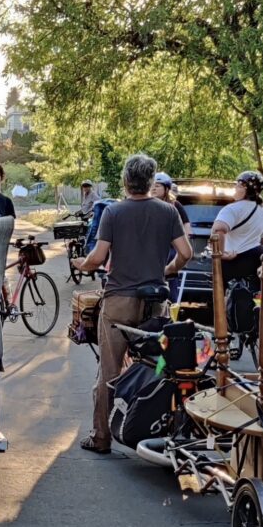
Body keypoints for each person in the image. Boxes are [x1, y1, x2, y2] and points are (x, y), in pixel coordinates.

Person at [71, 154, 194, 454]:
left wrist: (82, 263)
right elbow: (186, 253)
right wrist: (167, 270)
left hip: (119, 301)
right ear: (152, 182)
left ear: (125, 181)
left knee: (109, 371)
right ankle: (155, 427)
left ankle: (101, 438)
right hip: (156, 302)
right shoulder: (168, 212)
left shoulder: (114, 213)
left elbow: (98, 258)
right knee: (159, 366)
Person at [211, 171, 263, 283]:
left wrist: (221, 254)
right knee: (254, 296)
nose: (235, 187)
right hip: (256, 258)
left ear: (244, 188)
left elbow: (218, 229)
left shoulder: (232, 209)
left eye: (237, 185)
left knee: (226, 296)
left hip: (234, 260)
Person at [150, 172, 193, 243]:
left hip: (172, 247)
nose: (153, 188)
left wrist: (184, 241)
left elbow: (186, 225)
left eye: (157, 186)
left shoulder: (175, 205)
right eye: (152, 186)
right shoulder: (146, 205)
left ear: (166, 189)